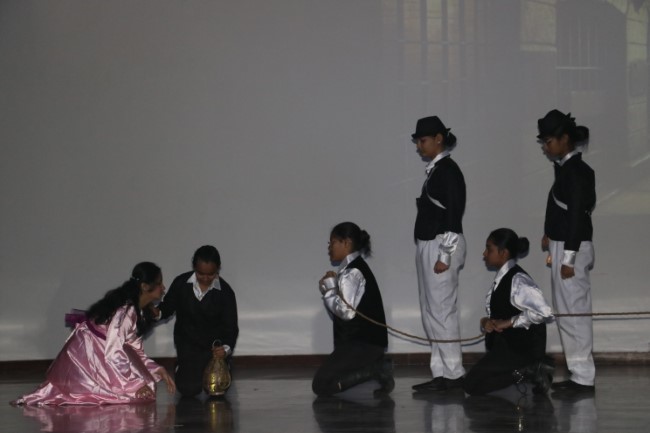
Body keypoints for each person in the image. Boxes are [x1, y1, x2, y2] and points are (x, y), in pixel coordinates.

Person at [11, 262, 176, 406]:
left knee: (148, 385)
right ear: (145, 287)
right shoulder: (125, 312)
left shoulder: (140, 312)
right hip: (90, 352)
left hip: (106, 350)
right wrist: (135, 384)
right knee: (138, 392)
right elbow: (114, 351)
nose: (163, 288)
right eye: (159, 283)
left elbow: (134, 350)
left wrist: (157, 369)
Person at [537, 109, 596, 394]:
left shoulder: (577, 171)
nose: (546, 147)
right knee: (567, 312)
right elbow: (562, 209)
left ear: (564, 139)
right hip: (563, 245)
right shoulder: (566, 169)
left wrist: (569, 258)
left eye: (549, 141)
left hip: (572, 247)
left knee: (574, 313)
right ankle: (578, 373)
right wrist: (550, 234)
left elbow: (576, 217)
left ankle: (583, 376)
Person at [410, 116, 467, 393]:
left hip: (443, 243)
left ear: (438, 139)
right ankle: (441, 372)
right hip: (431, 243)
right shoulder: (437, 170)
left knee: (442, 311)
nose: (419, 146)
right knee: (431, 311)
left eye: (422, 141)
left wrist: (445, 255)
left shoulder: (448, 171)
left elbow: (453, 215)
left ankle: (454, 375)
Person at [463, 228, 554, 395]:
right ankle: (526, 372)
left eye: (489, 249)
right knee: (472, 384)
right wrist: (485, 322)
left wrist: (508, 322)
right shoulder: (504, 277)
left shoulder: (519, 280)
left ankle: (529, 370)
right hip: (506, 347)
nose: (484, 254)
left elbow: (543, 312)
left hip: (520, 349)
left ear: (503, 252)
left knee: (471, 385)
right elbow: (499, 313)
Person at [312, 222, 393, 396]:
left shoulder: (353, 272)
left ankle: (375, 370)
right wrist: (332, 287)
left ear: (347, 242)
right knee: (325, 382)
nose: (329, 247)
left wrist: (330, 288)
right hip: (361, 344)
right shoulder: (352, 268)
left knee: (321, 385)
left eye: (333, 242)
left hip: (362, 345)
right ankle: (376, 367)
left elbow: (346, 312)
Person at [156, 245, 239, 397]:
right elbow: (167, 307)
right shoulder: (181, 283)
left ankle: (226, 365)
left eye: (211, 274)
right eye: (201, 274)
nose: (206, 278)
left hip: (213, 349)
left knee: (216, 389)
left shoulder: (226, 293)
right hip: (187, 344)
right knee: (189, 389)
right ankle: (181, 366)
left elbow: (231, 327)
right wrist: (156, 312)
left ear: (218, 269)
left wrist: (225, 349)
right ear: (194, 267)